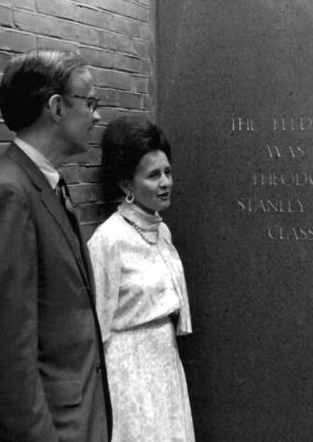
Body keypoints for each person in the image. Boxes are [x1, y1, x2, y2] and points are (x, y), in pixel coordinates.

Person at [0, 49, 112, 441]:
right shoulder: (7, 193)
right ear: (56, 107)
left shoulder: (45, 183)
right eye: (90, 103)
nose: (97, 116)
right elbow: (3, 359)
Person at [87, 116, 195, 442]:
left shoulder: (161, 230)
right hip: (129, 374)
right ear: (125, 185)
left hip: (165, 360)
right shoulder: (108, 241)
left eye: (168, 172)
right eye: (153, 175)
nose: (166, 182)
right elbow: (96, 326)